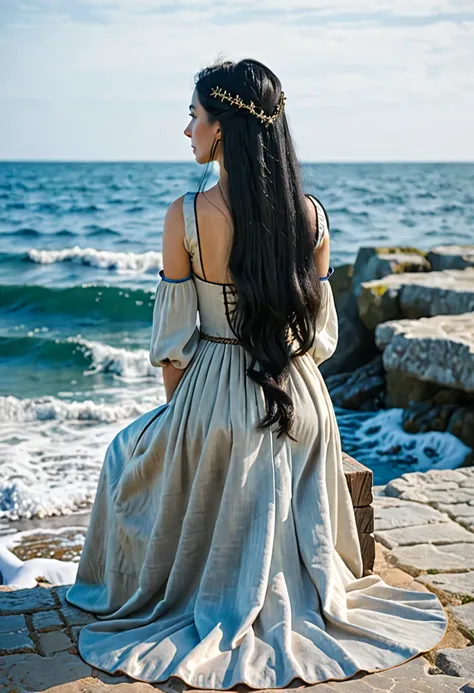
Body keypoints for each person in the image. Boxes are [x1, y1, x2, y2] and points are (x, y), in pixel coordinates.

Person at [65, 57, 448, 689]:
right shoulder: (314, 215)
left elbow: (173, 347)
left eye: (194, 116)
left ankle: (153, 583)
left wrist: (180, 422)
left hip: (218, 388)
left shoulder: (186, 215)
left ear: (221, 128)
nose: (186, 129)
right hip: (302, 400)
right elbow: (317, 338)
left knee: (124, 454)